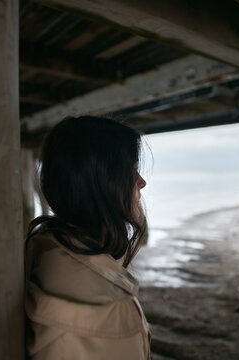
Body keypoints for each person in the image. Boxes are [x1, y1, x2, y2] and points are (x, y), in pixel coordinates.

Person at [25, 116, 151, 359]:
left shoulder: (44, 248)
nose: (141, 181)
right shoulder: (112, 311)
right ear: (103, 182)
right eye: (131, 171)